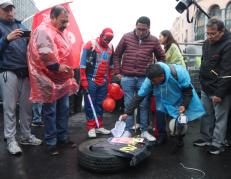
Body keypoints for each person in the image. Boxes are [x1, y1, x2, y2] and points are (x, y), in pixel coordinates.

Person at [27, 5, 79, 155]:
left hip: (61, 78)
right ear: (53, 18)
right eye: (63, 21)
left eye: (66, 21)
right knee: (50, 111)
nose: (65, 24)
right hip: (49, 78)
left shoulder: (60, 31)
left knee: (64, 109)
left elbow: (64, 52)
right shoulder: (44, 30)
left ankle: (62, 137)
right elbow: (44, 53)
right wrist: (57, 67)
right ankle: (51, 142)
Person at [120, 63, 205, 144]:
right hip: (162, 97)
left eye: (154, 81)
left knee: (179, 120)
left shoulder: (179, 72)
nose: (152, 83)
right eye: (151, 80)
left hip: (178, 97)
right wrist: (128, 112)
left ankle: (179, 137)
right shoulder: (150, 80)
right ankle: (161, 136)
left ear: (162, 76)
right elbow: (139, 96)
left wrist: (184, 105)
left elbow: (188, 91)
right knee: (159, 114)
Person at [0, 0, 42, 155]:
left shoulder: (21, 25)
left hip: (26, 72)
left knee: (27, 108)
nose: (10, 13)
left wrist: (31, 40)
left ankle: (25, 135)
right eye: (6, 10)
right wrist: (6, 39)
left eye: (11, 9)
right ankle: (10, 140)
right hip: (8, 71)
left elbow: (32, 47)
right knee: (9, 108)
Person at [113, 16, 165, 141]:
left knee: (144, 104)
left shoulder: (153, 40)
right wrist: (118, 72)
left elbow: (161, 58)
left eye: (144, 29)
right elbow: (117, 55)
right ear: (135, 26)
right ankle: (128, 130)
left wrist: (155, 72)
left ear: (148, 28)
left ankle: (144, 130)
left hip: (145, 78)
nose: (141, 32)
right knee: (128, 104)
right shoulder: (126, 37)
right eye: (138, 29)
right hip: (127, 76)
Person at [193, 18, 231, 155]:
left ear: (222, 32)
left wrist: (219, 94)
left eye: (213, 34)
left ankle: (217, 143)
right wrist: (201, 82)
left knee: (220, 117)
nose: (209, 37)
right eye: (207, 33)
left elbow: (228, 73)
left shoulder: (228, 45)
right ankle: (206, 138)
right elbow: (204, 63)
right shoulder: (206, 43)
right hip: (206, 85)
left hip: (221, 88)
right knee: (206, 114)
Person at [80, 28, 114, 138]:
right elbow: (82, 64)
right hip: (91, 79)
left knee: (100, 104)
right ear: (101, 35)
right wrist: (84, 79)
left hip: (103, 81)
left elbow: (111, 66)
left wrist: (109, 80)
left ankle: (99, 125)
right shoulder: (90, 44)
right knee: (90, 104)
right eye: (106, 39)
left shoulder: (110, 47)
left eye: (109, 40)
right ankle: (91, 126)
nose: (107, 42)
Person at [155, 30, 186, 144]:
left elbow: (178, 63)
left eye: (160, 36)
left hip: (174, 80)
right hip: (168, 80)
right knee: (165, 108)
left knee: (174, 107)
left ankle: (178, 135)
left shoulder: (172, 46)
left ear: (166, 36)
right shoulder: (167, 47)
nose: (159, 38)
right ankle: (172, 134)